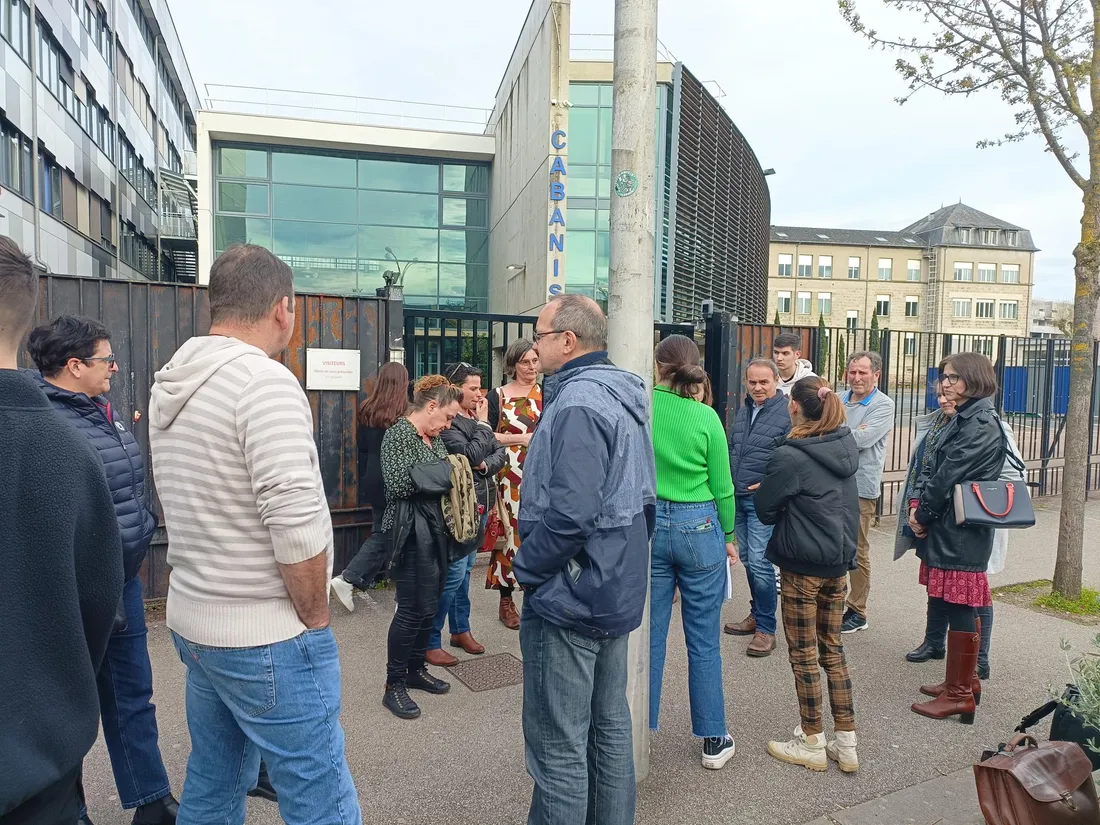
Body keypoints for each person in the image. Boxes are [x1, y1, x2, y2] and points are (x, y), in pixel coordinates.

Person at [148, 244, 361, 824]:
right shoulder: (263, 383)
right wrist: (315, 618)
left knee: (214, 782)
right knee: (321, 799)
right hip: (264, 633)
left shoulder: (174, 382)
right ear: (282, 309)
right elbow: (295, 523)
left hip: (197, 621)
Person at [27, 316, 177, 825]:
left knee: (132, 694)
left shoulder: (97, 411)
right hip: (73, 593)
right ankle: (67, 811)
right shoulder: (47, 424)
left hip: (121, 580)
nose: (114, 366)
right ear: (74, 365)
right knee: (65, 708)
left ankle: (152, 802)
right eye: (105, 359)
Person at [514, 294, 656, 825]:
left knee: (559, 747)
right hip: (612, 584)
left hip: (572, 594)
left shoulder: (579, 402)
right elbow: (643, 499)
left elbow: (572, 514)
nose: (534, 348)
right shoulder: (622, 394)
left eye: (540, 336)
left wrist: (527, 570)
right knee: (609, 726)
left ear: (568, 341)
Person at [0, 237, 124, 825]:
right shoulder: (69, 451)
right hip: (43, 766)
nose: (113, 369)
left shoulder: (79, 441)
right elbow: (96, 604)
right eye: (105, 360)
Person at [755, 376, 861, 773]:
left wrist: (778, 496)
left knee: (803, 654)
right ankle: (846, 743)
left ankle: (812, 740)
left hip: (802, 565)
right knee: (832, 649)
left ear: (794, 407)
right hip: (837, 562)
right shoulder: (844, 445)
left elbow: (765, 510)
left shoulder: (791, 455)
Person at [649, 335, 737, 770]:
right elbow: (723, 486)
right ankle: (713, 736)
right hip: (699, 524)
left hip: (649, 524)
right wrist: (729, 534)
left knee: (647, 635)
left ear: (657, 365)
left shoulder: (643, 406)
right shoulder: (706, 416)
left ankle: (634, 726)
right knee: (703, 639)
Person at [896, 389, 1024, 682]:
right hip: (937, 519)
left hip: (973, 522)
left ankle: (979, 660)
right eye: (940, 394)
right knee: (940, 582)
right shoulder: (938, 426)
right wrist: (917, 506)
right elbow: (925, 470)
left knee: (972, 593)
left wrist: (973, 494)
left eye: (950, 393)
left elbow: (1013, 476)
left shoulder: (990, 427)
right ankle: (934, 642)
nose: (944, 400)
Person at [908, 353, 1004, 724]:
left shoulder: (978, 422)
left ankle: (960, 693)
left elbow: (947, 476)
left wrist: (921, 515)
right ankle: (963, 683)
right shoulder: (968, 416)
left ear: (972, 379)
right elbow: (936, 468)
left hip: (961, 531)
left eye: (952, 377)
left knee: (962, 606)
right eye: (944, 377)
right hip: (954, 527)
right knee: (954, 604)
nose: (945, 383)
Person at [379, 374, 465, 719]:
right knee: (411, 610)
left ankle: (415, 670)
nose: (448, 425)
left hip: (436, 530)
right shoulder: (398, 434)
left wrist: (433, 475)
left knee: (429, 607)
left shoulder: (433, 437)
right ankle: (393, 685)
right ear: (431, 406)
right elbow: (399, 484)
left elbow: (447, 476)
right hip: (409, 533)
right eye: (447, 417)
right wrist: (439, 475)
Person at [426, 363, 508, 666]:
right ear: (454, 387)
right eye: (473, 388)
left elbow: (498, 453)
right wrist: (484, 428)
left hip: (481, 502)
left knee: (466, 571)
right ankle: (430, 639)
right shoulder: (449, 422)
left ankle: (460, 629)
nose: (479, 394)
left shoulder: (474, 419)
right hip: (461, 508)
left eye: (480, 387)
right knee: (454, 574)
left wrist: (485, 463)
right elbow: (470, 454)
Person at [330, 362, 411, 611]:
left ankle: (353, 580)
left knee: (383, 530)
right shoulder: (405, 412)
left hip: (372, 478)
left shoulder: (367, 409)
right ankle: (351, 578)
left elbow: (362, 446)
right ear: (403, 382)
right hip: (395, 479)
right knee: (397, 535)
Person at [724, 359, 791, 657]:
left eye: (764, 382)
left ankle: (766, 629)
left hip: (762, 501)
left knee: (761, 564)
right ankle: (757, 614)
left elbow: (790, 456)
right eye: (752, 382)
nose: (757, 387)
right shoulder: (744, 410)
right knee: (750, 561)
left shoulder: (786, 413)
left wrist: (769, 484)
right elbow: (734, 449)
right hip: (738, 497)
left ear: (776, 380)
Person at [487, 338, 543, 629]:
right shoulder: (497, 396)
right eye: (525, 362)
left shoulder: (548, 394)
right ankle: (506, 599)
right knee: (510, 533)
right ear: (513, 364)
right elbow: (486, 435)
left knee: (539, 532)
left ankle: (537, 594)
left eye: (535, 360)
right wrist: (521, 438)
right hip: (508, 474)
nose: (531, 367)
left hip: (540, 471)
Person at [839, 352, 895, 635]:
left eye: (863, 372)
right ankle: (834, 601)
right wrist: (848, 431)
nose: (857, 378)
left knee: (856, 549)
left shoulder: (883, 405)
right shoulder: (838, 399)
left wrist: (836, 431)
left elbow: (862, 439)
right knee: (834, 545)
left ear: (876, 375)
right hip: (833, 484)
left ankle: (858, 611)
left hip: (861, 488)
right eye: (853, 372)